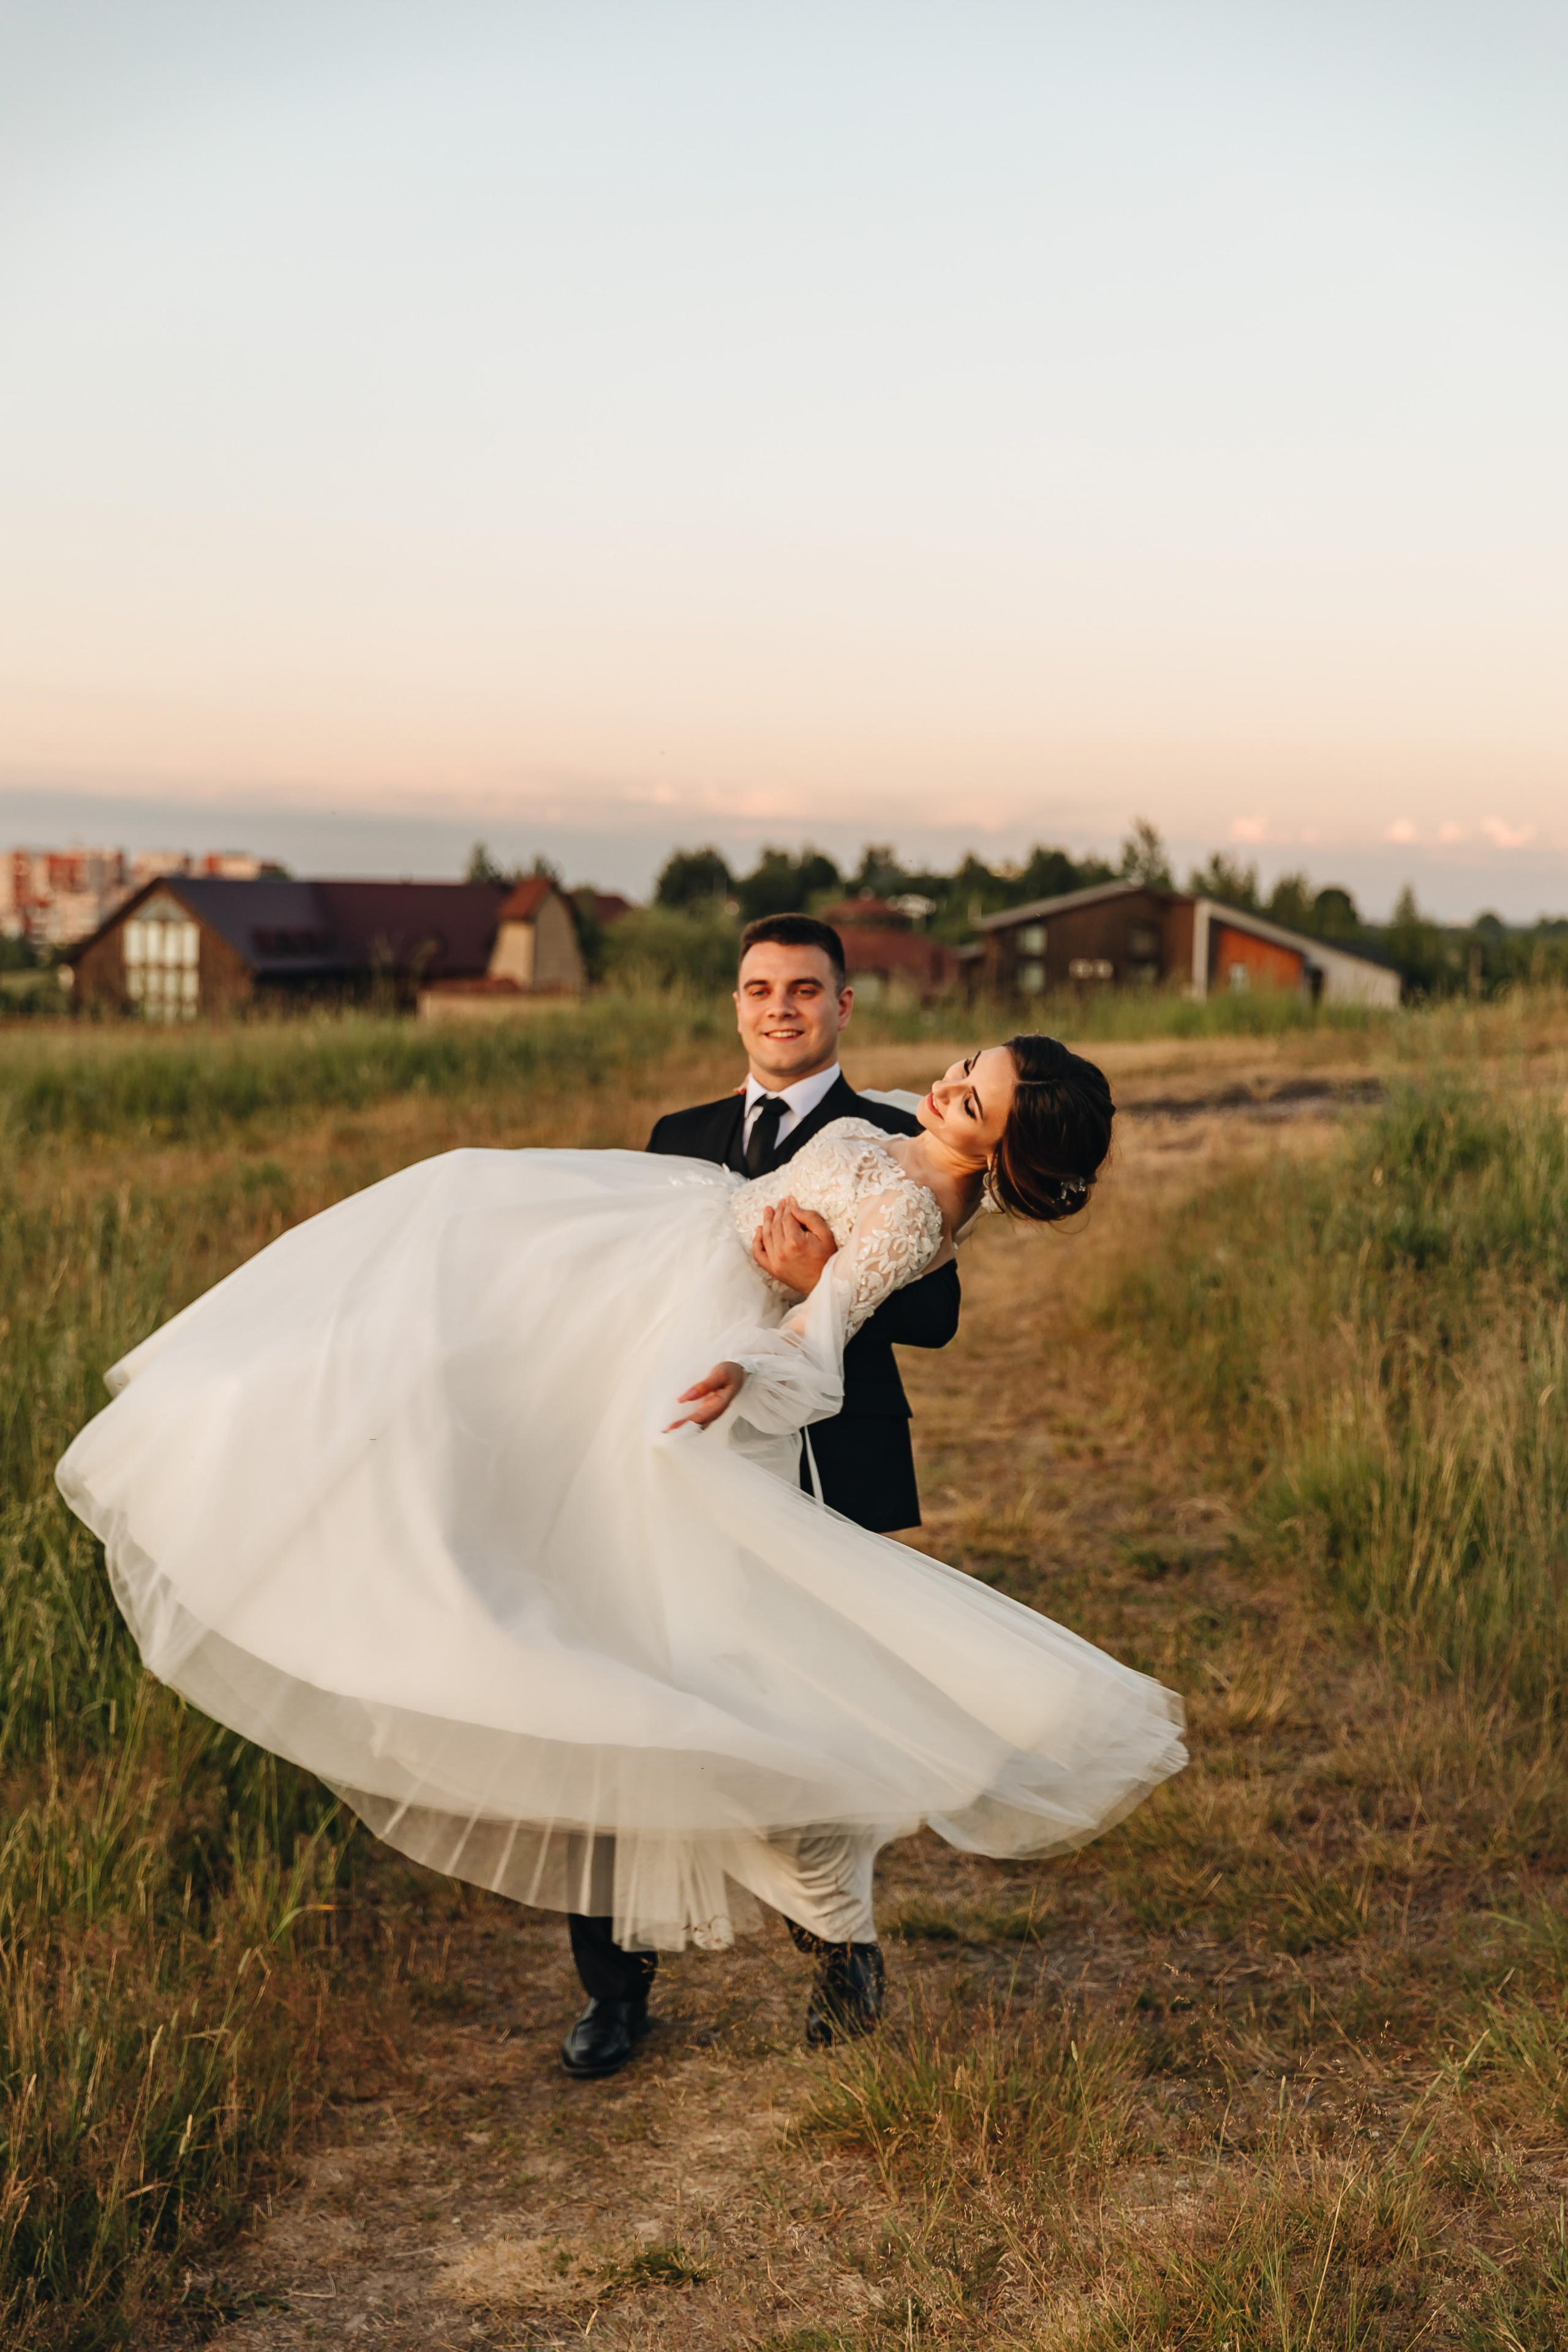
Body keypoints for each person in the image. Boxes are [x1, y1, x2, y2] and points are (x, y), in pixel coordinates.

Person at [56, 1016, 1186, 2087]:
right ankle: (282, 1438)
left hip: (695, 1338)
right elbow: (876, 1124)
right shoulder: (907, 1123)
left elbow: (822, 1337)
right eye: (963, 1067)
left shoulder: (915, 1212)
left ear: (998, 1144)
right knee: (453, 1234)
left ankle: (825, 1907)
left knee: (677, 1642)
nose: (944, 1087)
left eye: (971, 1097)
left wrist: (746, 1365)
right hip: (650, 1259)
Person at [562, 914, 965, 2068]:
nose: (779, 1007)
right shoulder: (677, 1135)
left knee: (806, 1716)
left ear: (844, 1007)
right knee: (622, 1697)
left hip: (825, 1462)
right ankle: (614, 1983)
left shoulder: (898, 1130)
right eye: (758, 989)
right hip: (674, 1451)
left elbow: (934, 1314)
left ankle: (839, 1943)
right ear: (736, 1006)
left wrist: (818, 1277)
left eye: (803, 989)